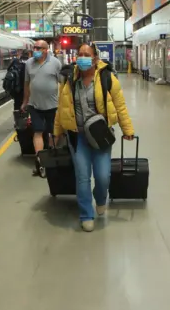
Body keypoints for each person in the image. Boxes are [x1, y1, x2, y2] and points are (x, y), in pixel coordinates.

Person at [53, 43, 134, 232]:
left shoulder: (107, 78)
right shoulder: (68, 80)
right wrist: (56, 132)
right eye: (80, 54)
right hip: (77, 136)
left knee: (102, 176)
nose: (82, 57)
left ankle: (100, 198)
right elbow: (61, 108)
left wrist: (127, 129)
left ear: (95, 58)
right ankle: (86, 214)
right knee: (82, 177)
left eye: (86, 54)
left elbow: (120, 106)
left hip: (100, 135)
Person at [21, 40, 62, 176]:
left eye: (39, 48)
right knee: (37, 132)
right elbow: (27, 83)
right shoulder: (29, 63)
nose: (36, 50)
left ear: (46, 50)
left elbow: (62, 83)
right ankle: (40, 162)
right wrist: (25, 101)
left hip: (53, 105)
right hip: (35, 104)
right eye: (35, 47)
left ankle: (50, 156)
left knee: (52, 132)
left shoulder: (55, 63)